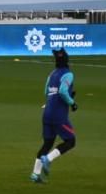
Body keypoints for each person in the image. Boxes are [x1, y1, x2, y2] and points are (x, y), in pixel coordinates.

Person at [32, 49, 78, 184]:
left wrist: (59, 99)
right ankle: (48, 159)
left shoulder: (52, 74)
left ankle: (35, 174)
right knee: (70, 141)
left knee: (47, 143)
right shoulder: (68, 74)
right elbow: (63, 91)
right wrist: (72, 102)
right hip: (58, 115)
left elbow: (47, 92)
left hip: (47, 113)